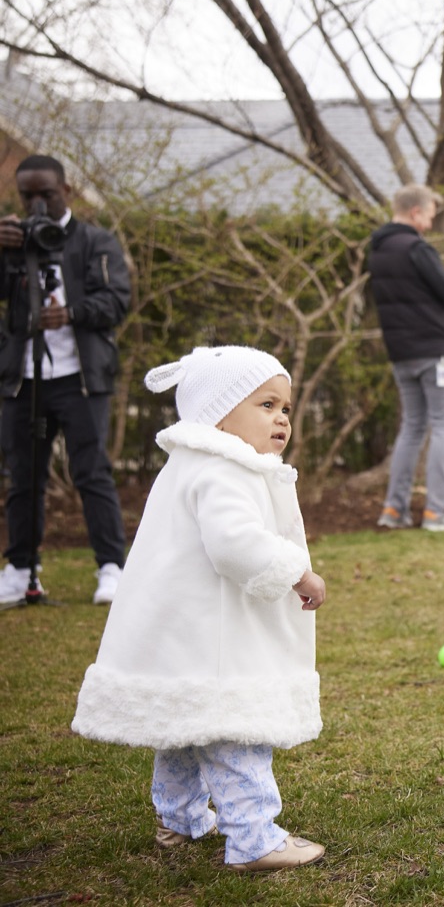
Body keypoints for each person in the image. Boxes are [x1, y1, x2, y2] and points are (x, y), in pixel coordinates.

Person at [72, 346, 326, 872]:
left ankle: (179, 817)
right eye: (266, 405)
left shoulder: (191, 465)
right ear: (218, 413)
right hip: (217, 640)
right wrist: (297, 572)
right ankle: (255, 838)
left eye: (285, 407)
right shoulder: (224, 469)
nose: (282, 418)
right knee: (236, 728)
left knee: (184, 725)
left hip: (183, 632)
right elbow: (234, 544)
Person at [0, 155, 131, 607]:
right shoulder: (12, 241)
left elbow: (117, 301)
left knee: (91, 472)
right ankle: (20, 569)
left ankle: (112, 568)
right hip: (25, 378)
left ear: (67, 191)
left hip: (80, 378)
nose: (37, 203)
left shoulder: (95, 241)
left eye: (47, 194)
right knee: (23, 476)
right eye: (28, 196)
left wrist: (71, 313)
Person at [367, 184, 444, 532]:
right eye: (430, 216)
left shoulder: (378, 250)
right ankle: (437, 512)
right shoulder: (416, 248)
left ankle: (394, 510)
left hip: (401, 354)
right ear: (415, 212)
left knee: (412, 427)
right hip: (437, 353)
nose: (431, 224)